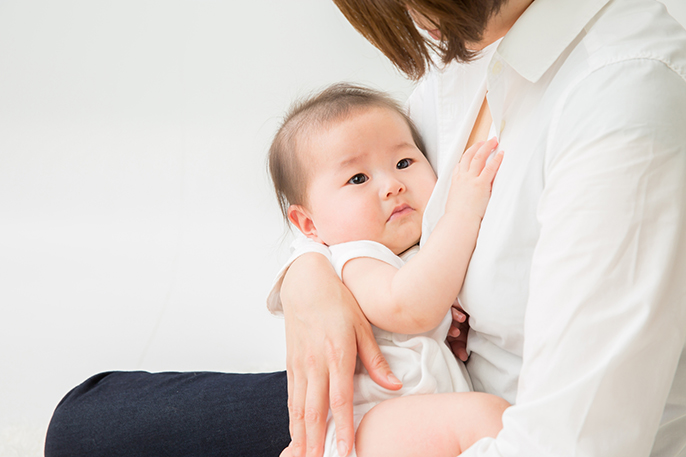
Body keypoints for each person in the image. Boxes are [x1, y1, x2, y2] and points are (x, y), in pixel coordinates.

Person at [44, 0, 686, 456]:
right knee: (86, 424)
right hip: (398, 387)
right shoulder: (473, 47)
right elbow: (348, 178)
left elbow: (569, 443)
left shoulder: (624, 100)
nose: (407, 20)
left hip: (479, 427)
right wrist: (309, 273)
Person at [267, 83, 507, 457]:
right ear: (309, 225)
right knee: (488, 421)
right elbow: (408, 305)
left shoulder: (408, 253)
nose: (393, 185)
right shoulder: (353, 259)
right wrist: (462, 211)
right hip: (368, 425)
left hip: (404, 422)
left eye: (404, 163)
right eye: (358, 179)